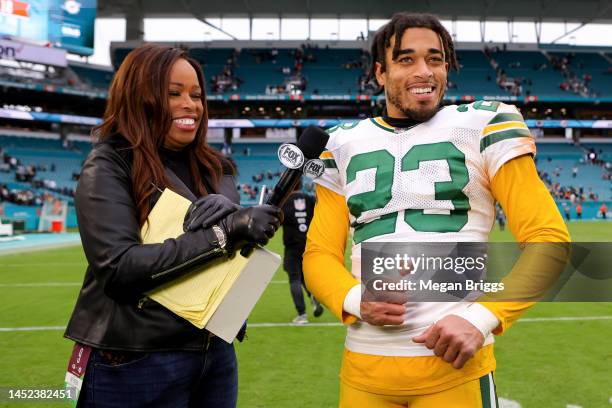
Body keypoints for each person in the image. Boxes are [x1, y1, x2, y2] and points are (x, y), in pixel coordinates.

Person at [303, 12, 570, 407]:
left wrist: (481, 318)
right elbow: (319, 254)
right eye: (406, 59)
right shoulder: (341, 144)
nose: (424, 71)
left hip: (454, 371)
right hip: (363, 372)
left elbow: (549, 242)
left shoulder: (485, 123)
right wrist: (356, 300)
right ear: (381, 72)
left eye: (436, 58)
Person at [63, 44, 282, 408]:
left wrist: (246, 217)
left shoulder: (216, 167)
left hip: (215, 351)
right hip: (137, 358)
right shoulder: (109, 165)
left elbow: (238, 236)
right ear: (139, 97)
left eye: (196, 95)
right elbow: (118, 269)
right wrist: (225, 232)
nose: (191, 105)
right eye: (173, 94)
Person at [280, 179, 323, 324]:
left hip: (292, 246)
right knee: (305, 276)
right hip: (309, 244)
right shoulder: (309, 199)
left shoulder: (285, 202)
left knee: (294, 278)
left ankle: (302, 314)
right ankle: (314, 298)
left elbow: (277, 220)